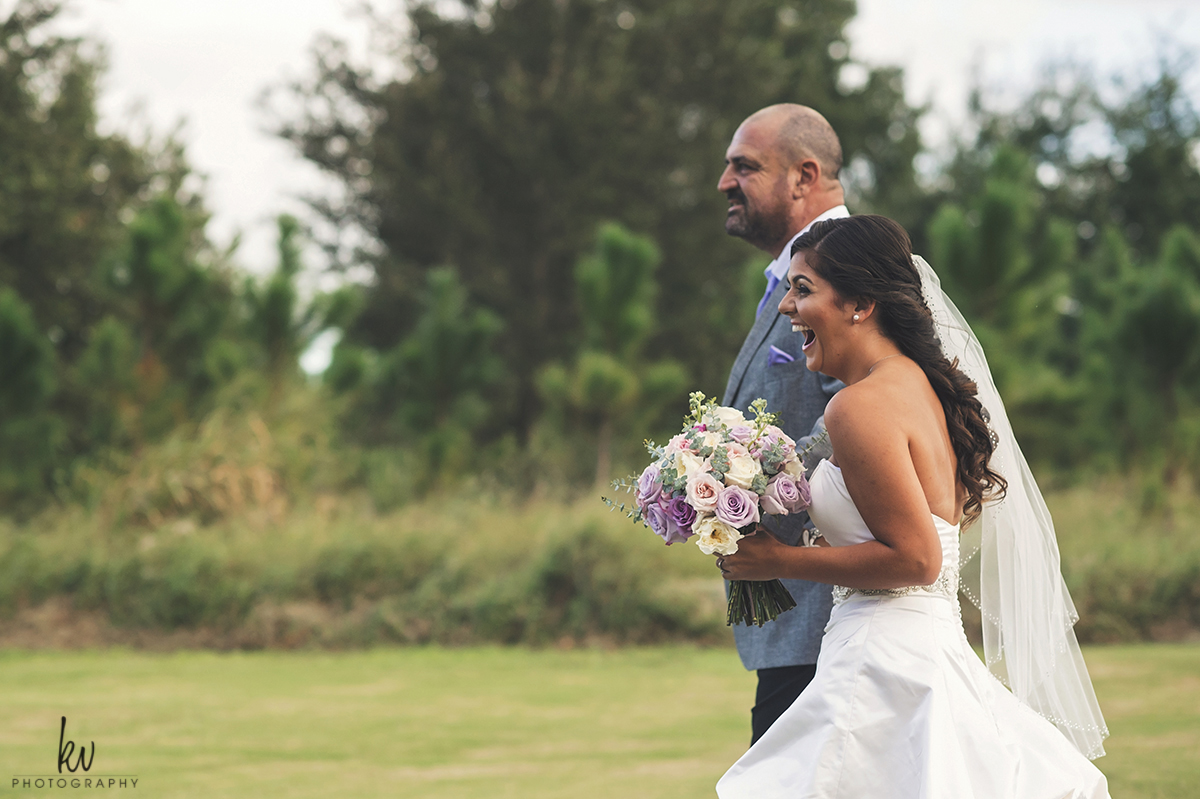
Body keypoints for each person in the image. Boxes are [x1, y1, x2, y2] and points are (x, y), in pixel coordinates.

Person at [715, 215, 1110, 798]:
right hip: (920, 646)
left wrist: (778, 559)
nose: (786, 308)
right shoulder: (922, 385)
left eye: (803, 290)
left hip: (883, 659)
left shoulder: (858, 407)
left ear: (859, 304)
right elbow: (931, 530)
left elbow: (917, 558)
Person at [717, 104, 847, 745]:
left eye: (744, 165)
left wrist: (758, 482)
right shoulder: (787, 277)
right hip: (795, 614)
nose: (723, 182)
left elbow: (863, 411)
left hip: (830, 612)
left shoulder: (844, 270)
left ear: (804, 176)